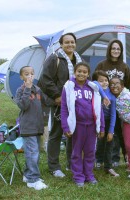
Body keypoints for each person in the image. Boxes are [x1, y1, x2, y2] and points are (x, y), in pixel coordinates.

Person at [38, 32, 83, 178]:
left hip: (76, 102)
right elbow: (45, 80)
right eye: (67, 42)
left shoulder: (78, 59)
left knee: (73, 133)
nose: (70, 44)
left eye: (72, 42)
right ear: (61, 44)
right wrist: (58, 96)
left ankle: (71, 163)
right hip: (60, 103)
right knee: (56, 133)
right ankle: (54, 167)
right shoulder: (55, 58)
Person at [61, 62, 105, 187]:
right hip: (77, 126)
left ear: (88, 74)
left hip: (91, 125)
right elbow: (64, 108)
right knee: (76, 152)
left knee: (90, 151)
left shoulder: (92, 88)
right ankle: (78, 176)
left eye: (84, 72)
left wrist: (101, 126)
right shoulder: (69, 87)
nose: (81, 74)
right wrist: (65, 126)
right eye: (79, 71)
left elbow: (98, 108)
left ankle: (89, 175)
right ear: (74, 72)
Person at [15, 66, 54, 190]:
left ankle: (28, 174)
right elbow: (23, 105)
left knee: (33, 153)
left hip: (37, 126)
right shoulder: (20, 90)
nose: (30, 76)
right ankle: (33, 180)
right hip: (28, 127)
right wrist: (27, 89)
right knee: (32, 153)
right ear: (22, 77)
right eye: (26, 74)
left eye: (32, 73)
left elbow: (47, 101)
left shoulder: (37, 89)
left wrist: (60, 100)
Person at [95, 39, 130, 167]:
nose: (115, 51)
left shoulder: (125, 67)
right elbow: (95, 83)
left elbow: (128, 85)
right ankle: (99, 159)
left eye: (118, 49)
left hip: (120, 103)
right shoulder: (102, 65)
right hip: (104, 102)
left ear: (121, 51)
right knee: (102, 130)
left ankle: (115, 158)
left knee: (117, 131)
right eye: (113, 48)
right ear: (109, 50)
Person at [92, 70, 119, 177]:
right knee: (98, 142)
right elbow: (94, 83)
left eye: (106, 80)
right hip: (95, 121)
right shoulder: (94, 91)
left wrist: (111, 131)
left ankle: (108, 166)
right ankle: (97, 161)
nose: (104, 83)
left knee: (109, 143)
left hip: (108, 121)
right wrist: (103, 95)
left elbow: (113, 115)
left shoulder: (112, 96)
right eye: (101, 81)